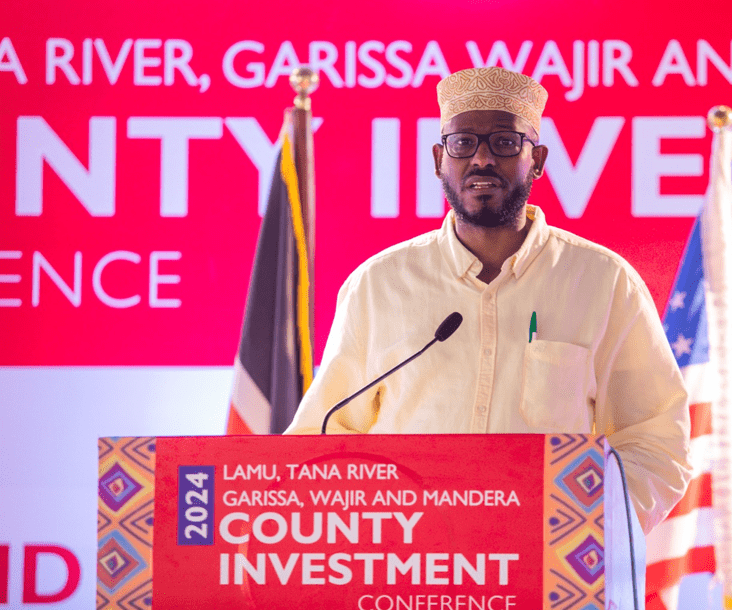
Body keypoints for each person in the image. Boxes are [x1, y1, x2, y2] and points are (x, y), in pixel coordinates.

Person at [285, 67, 691, 534]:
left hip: (550, 573)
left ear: (537, 160)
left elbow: (656, 439)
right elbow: (325, 435)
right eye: (462, 144)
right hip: (412, 569)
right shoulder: (379, 286)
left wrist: (589, 526)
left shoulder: (603, 283)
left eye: (504, 142)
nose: (481, 159)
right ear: (439, 159)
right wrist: (378, 531)